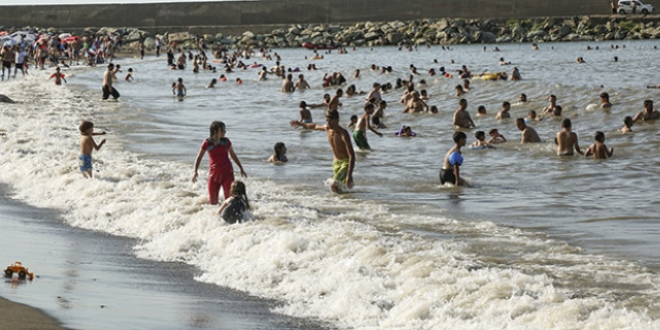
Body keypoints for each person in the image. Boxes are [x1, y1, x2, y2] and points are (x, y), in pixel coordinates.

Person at [291, 110, 355, 193]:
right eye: (327, 121)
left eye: (330, 121)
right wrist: (301, 124)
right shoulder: (327, 129)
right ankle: (346, 200)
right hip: (336, 162)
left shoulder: (343, 134)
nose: (328, 124)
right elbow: (314, 126)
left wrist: (349, 175)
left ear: (337, 120)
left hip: (345, 163)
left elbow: (352, 156)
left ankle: (342, 200)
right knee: (339, 187)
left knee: (333, 186)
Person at [192, 121, 248, 205]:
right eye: (222, 130)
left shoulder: (226, 142)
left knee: (230, 200)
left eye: (225, 130)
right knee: (213, 202)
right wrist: (195, 171)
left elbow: (233, 155)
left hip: (227, 174)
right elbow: (199, 157)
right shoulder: (207, 143)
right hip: (213, 175)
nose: (224, 132)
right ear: (215, 131)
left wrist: (241, 168)